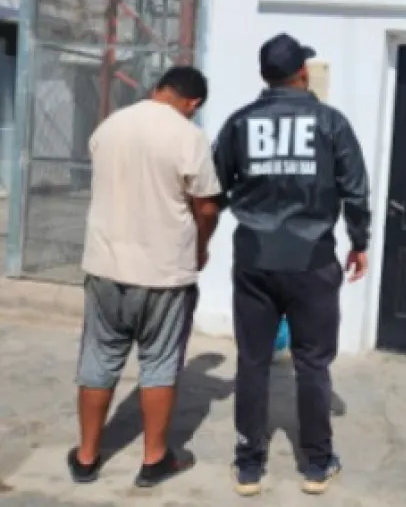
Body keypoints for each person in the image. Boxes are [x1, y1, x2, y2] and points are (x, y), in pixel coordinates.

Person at [212, 32, 371, 497]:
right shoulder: (330, 122)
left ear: (264, 75)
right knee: (313, 364)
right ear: (302, 72)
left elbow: (214, 188)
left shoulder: (239, 123)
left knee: (253, 362)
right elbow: (355, 190)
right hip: (312, 260)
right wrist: (359, 242)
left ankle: (248, 465)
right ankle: (316, 464)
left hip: (255, 260)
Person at [68, 66, 221, 488]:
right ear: (192, 102)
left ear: (158, 89)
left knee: (98, 359)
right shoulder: (188, 136)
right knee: (159, 362)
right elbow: (207, 207)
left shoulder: (109, 127)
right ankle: (154, 459)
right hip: (163, 272)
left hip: (105, 266)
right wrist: (201, 246)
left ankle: (86, 456)